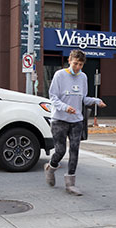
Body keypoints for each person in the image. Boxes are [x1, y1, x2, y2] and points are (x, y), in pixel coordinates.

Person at [44, 49, 106, 196]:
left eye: (80, 64)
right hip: (59, 120)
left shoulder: (83, 77)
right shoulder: (60, 75)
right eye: (75, 63)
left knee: (74, 151)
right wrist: (65, 108)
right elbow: (53, 97)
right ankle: (50, 168)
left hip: (77, 120)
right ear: (70, 60)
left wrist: (96, 101)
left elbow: (83, 98)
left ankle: (70, 184)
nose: (77, 67)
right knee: (60, 151)